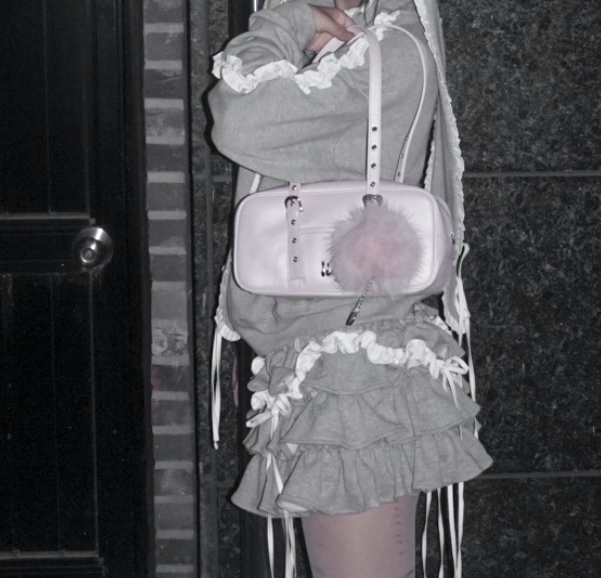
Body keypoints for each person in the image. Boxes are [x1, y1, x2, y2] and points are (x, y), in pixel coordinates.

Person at [208, 1, 493, 576]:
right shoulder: (367, 42)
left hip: (353, 369)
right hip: (335, 347)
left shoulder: (388, 49)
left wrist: (285, 23)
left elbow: (239, 119)